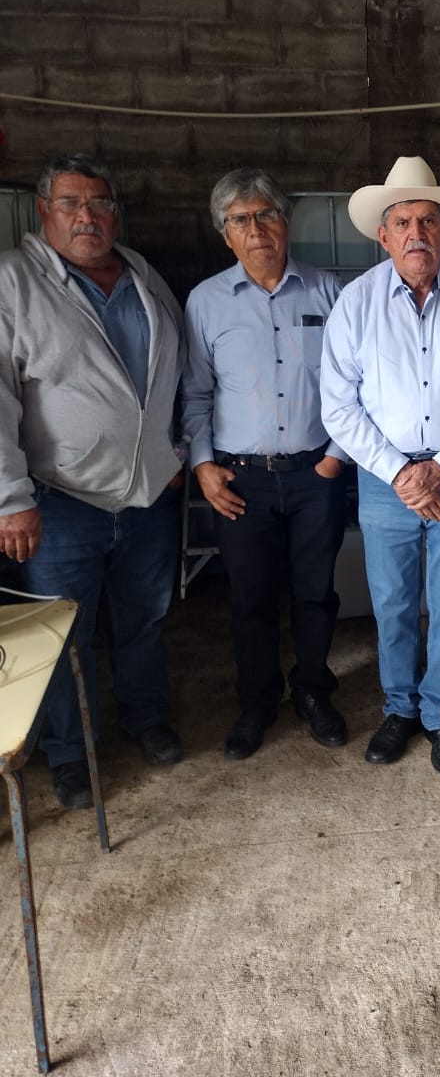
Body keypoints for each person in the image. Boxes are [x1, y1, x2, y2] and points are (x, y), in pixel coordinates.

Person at [321, 156, 440, 776]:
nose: (417, 234)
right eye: (402, 223)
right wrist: (401, 473)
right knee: (393, 602)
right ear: (383, 236)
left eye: (428, 221)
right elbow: (339, 405)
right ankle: (399, 708)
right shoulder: (356, 302)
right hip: (385, 481)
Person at [0, 153, 185, 809]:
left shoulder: (141, 275)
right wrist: (9, 499)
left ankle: (146, 717)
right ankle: (70, 754)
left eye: (100, 203)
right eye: (71, 203)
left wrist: (173, 453)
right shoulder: (14, 282)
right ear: (42, 211)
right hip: (60, 500)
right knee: (61, 637)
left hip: (147, 495)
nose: (88, 216)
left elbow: (176, 371)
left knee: (145, 618)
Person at [181, 168, 348, 761]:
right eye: (240, 220)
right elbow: (195, 394)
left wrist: (336, 458)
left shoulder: (328, 292)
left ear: (286, 221)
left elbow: (354, 385)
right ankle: (256, 702)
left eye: (266, 214)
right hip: (239, 479)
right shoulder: (205, 302)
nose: (256, 229)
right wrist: (202, 465)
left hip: (316, 474)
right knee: (250, 598)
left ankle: (313, 690)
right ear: (225, 233)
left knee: (315, 593)